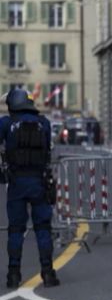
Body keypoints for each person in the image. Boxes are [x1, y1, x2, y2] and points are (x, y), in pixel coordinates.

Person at [0, 88, 59, 288]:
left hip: (17, 183)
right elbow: (48, 150)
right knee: (43, 228)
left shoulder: (7, 124)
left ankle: (13, 274)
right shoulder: (44, 123)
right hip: (39, 182)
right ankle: (48, 273)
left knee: (16, 229)